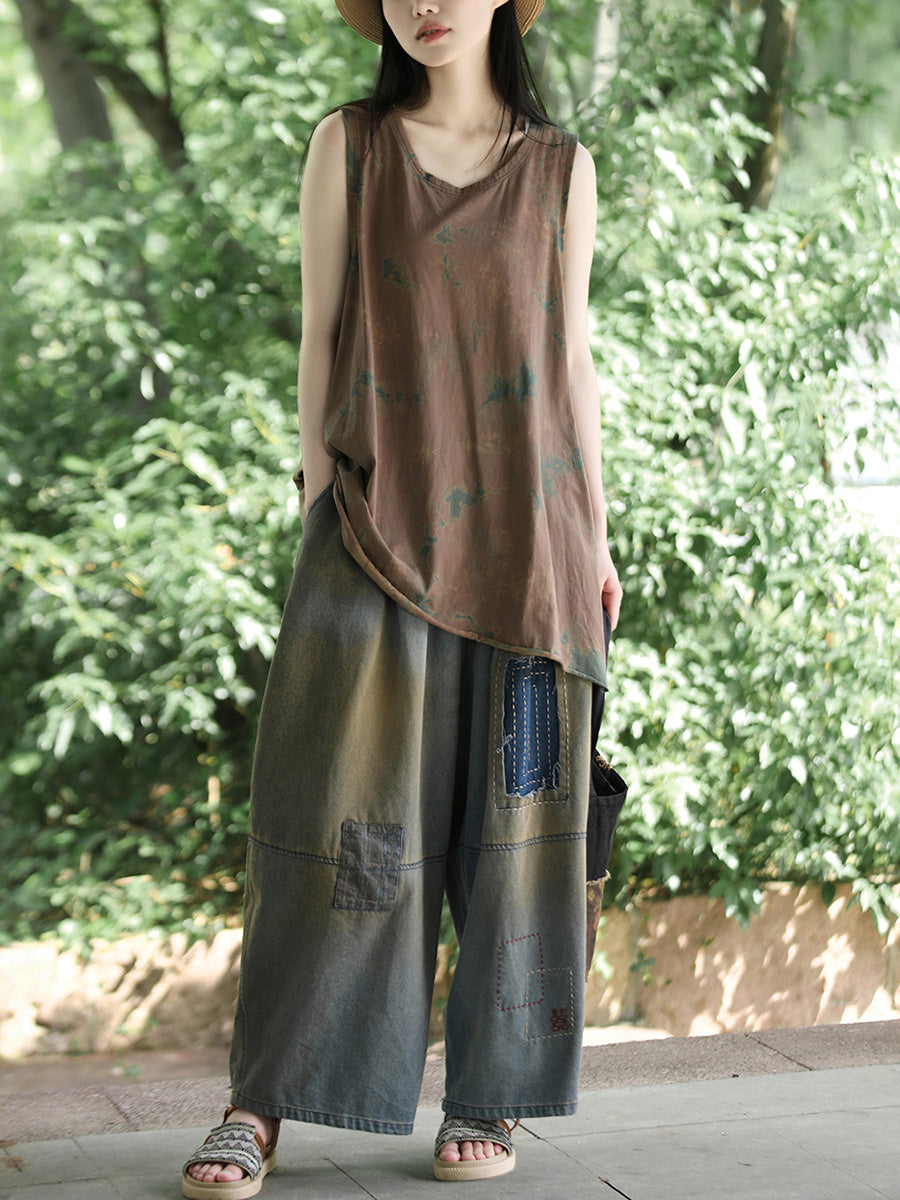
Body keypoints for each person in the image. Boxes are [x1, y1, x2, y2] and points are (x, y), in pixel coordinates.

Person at [181, 0, 622, 1194]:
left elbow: (569, 355)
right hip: (372, 531)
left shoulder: (561, 168)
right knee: (334, 817)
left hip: (532, 552)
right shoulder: (352, 145)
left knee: (522, 830)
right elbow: (320, 333)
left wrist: (594, 535)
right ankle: (262, 1100)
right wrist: (316, 496)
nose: (427, 5)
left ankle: (490, 1096)